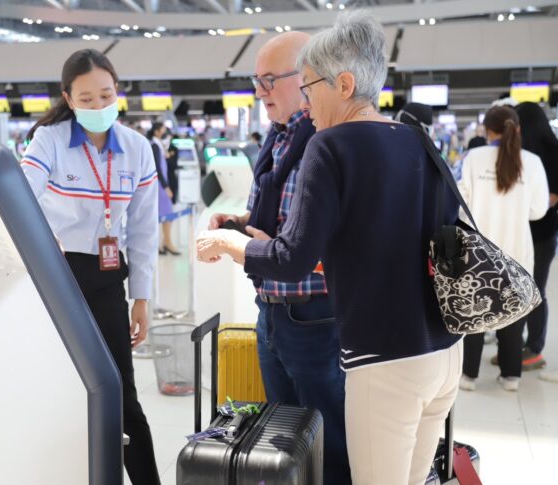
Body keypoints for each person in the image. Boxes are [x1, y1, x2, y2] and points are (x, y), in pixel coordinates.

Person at [196, 12, 463, 485]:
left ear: (342, 84)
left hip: (384, 357)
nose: (307, 100)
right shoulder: (417, 137)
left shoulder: (331, 143)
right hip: (443, 353)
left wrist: (231, 243)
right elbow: (440, 239)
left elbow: (293, 259)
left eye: (310, 86)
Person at [207, 30, 350, 485]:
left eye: (270, 79)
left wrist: (245, 246)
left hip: (313, 315)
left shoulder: (328, 141)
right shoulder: (279, 138)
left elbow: (320, 238)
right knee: (285, 437)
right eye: (256, 80)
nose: (260, 91)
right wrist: (241, 220)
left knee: (327, 441)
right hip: (270, 310)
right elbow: (282, 214)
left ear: (307, 78)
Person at [22, 49, 160, 485]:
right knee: (63, 389)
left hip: (107, 278)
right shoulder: (50, 140)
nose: (99, 106)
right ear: (68, 97)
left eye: (106, 95)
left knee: (121, 392)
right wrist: (47, 238)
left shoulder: (138, 148)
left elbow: (142, 229)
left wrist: (142, 297)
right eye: (87, 99)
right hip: (57, 276)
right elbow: (21, 198)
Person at [458, 105, 549, 392]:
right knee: (512, 312)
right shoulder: (532, 162)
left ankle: (469, 376)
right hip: (517, 252)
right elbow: (537, 210)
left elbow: (461, 204)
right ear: (517, 129)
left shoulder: (474, 157)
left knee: (475, 311)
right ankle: (511, 376)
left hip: (478, 252)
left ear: (487, 130)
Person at [510, 102, 558, 371]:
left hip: (541, 235)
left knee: (536, 291)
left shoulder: (552, 153)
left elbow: (552, 198)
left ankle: (534, 348)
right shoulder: (517, 151)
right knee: (516, 289)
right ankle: (514, 345)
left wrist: (524, 204)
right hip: (519, 232)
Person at [148, 122, 180, 255]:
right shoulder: (155, 146)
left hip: (161, 184)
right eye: (162, 129)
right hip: (160, 185)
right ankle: (167, 243)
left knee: (165, 214)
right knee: (167, 214)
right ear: (156, 131)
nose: (164, 132)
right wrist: (166, 187)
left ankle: (163, 243)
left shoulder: (158, 145)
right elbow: (158, 168)